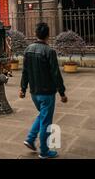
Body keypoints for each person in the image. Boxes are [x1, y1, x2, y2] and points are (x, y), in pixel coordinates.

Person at [20, 22, 68, 159]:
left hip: (34, 92)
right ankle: (45, 151)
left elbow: (25, 72)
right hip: (47, 93)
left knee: (42, 115)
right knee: (46, 121)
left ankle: (30, 139)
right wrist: (62, 93)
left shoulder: (28, 49)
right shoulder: (49, 51)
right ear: (48, 35)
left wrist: (23, 89)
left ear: (36, 34)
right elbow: (55, 74)